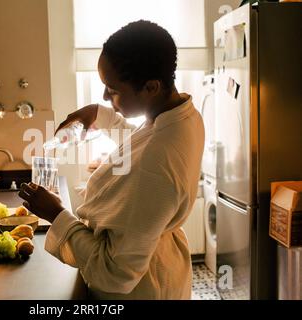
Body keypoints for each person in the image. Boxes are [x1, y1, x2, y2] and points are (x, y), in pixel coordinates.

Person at [19, 20, 204, 300]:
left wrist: (56, 214)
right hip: (162, 266)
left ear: (151, 87)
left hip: (143, 288)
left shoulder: (158, 160)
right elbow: (140, 143)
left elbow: (115, 275)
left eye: (113, 89)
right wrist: (99, 113)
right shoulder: (182, 115)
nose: (105, 95)